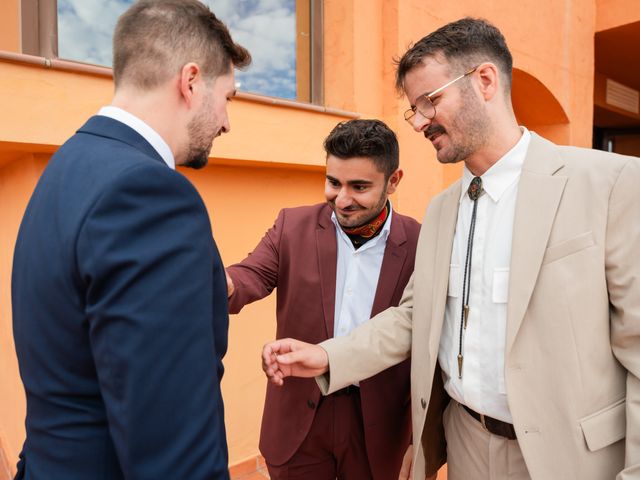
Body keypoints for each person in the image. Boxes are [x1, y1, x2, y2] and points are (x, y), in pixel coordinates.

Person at [261, 17, 640, 480]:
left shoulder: (611, 184)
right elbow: (414, 317)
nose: (419, 121)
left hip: (568, 461)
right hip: (463, 447)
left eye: (429, 101)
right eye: (413, 109)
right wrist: (327, 357)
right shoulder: (441, 210)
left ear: (484, 81)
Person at [11, 1, 250, 479]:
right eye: (228, 97)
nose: (226, 121)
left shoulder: (64, 168)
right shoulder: (149, 194)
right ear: (190, 81)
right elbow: (173, 449)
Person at [226, 119, 436, 480]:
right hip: (299, 422)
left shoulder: (423, 241)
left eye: (359, 187)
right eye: (333, 182)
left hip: (380, 427)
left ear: (394, 181)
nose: (341, 199)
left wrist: (424, 439)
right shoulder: (291, 225)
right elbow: (250, 275)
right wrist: (215, 281)